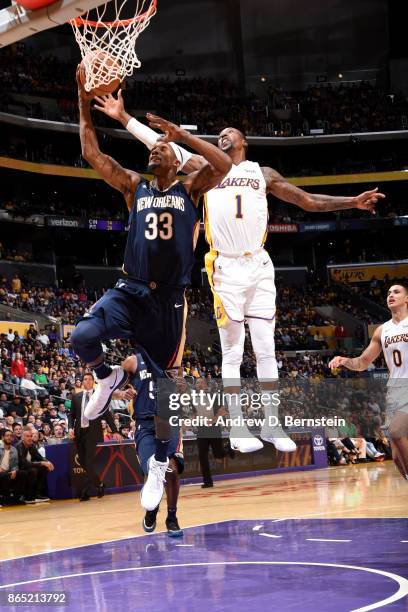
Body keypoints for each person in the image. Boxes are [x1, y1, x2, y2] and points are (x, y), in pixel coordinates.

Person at [95, 91, 384, 454]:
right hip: (225, 264)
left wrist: (352, 202)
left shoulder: (262, 174)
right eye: (219, 136)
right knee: (232, 351)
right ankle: (236, 426)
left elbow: (306, 201)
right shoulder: (205, 167)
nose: (223, 137)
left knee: (266, 348)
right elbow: (161, 144)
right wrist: (124, 118)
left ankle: (272, 421)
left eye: (229, 133)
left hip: (259, 264)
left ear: (244, 141)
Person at [70, 68, 231, 511]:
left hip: (167, 302)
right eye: (154, 146)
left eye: (163, 147)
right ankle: (105, 377)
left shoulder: (190, 189)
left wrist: (181, 135)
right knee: (81, 337)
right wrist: (82, 98)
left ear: (176, 161)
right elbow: (90, 151)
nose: (155, 148)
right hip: (130, 288)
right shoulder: (133, 186)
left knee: (160, 404)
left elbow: (222, 164)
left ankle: (158, 467)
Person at [329, 283, 408, 482]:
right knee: (397, 457)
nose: (391, 295)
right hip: (394, 391)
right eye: (388, 292)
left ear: (406, 299)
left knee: (396, 432)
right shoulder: (382, 330)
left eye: (396, 292)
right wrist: (345, 360)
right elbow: (363, 363)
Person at [116, 351, 184, 536]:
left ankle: (172, 517)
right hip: (145, 423)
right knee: (152, 468)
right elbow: (109, 389)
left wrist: (179, 383)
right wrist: (122, 393)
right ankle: (152, 510)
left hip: (169, 420)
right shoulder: (132, 362)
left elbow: (182, 390)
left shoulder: (172, 359)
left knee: (172, 469)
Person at [68, 372, 121, 501]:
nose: (86, 381)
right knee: (83, 462)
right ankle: (100, 484)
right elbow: (71, 415)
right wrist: (70, 427)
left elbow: (107, 415)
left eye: (89, 379)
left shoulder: (99, 397)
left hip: (93, 433)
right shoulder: (76, 397)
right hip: (79, 432)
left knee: (88, 462)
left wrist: (115, 431)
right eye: (84, 379)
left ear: (93, 382)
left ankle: (85, 492)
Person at [16, 426, 54, 503]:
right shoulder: (19, 446)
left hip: (29, 466)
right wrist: (41, 463)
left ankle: (37, 494)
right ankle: (29, 496)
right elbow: (23, 463)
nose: (30, 438)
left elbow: (39, 457)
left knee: (44, 468)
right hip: (19, 468)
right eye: (27, 436)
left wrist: (48, 462)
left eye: (31, 436)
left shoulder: (32, 445)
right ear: (22, 438)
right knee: (33, 470)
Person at [0, 429, 27, 505]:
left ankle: (16, 497)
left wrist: (15, 470)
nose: (9, 437)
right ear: (2, 437)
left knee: (23, 473)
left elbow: (15, 464)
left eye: (11, 436)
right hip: (1, 473)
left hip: (8, 472)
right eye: (7, 436)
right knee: (4, 475)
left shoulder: (14, 450)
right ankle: (5, 498)